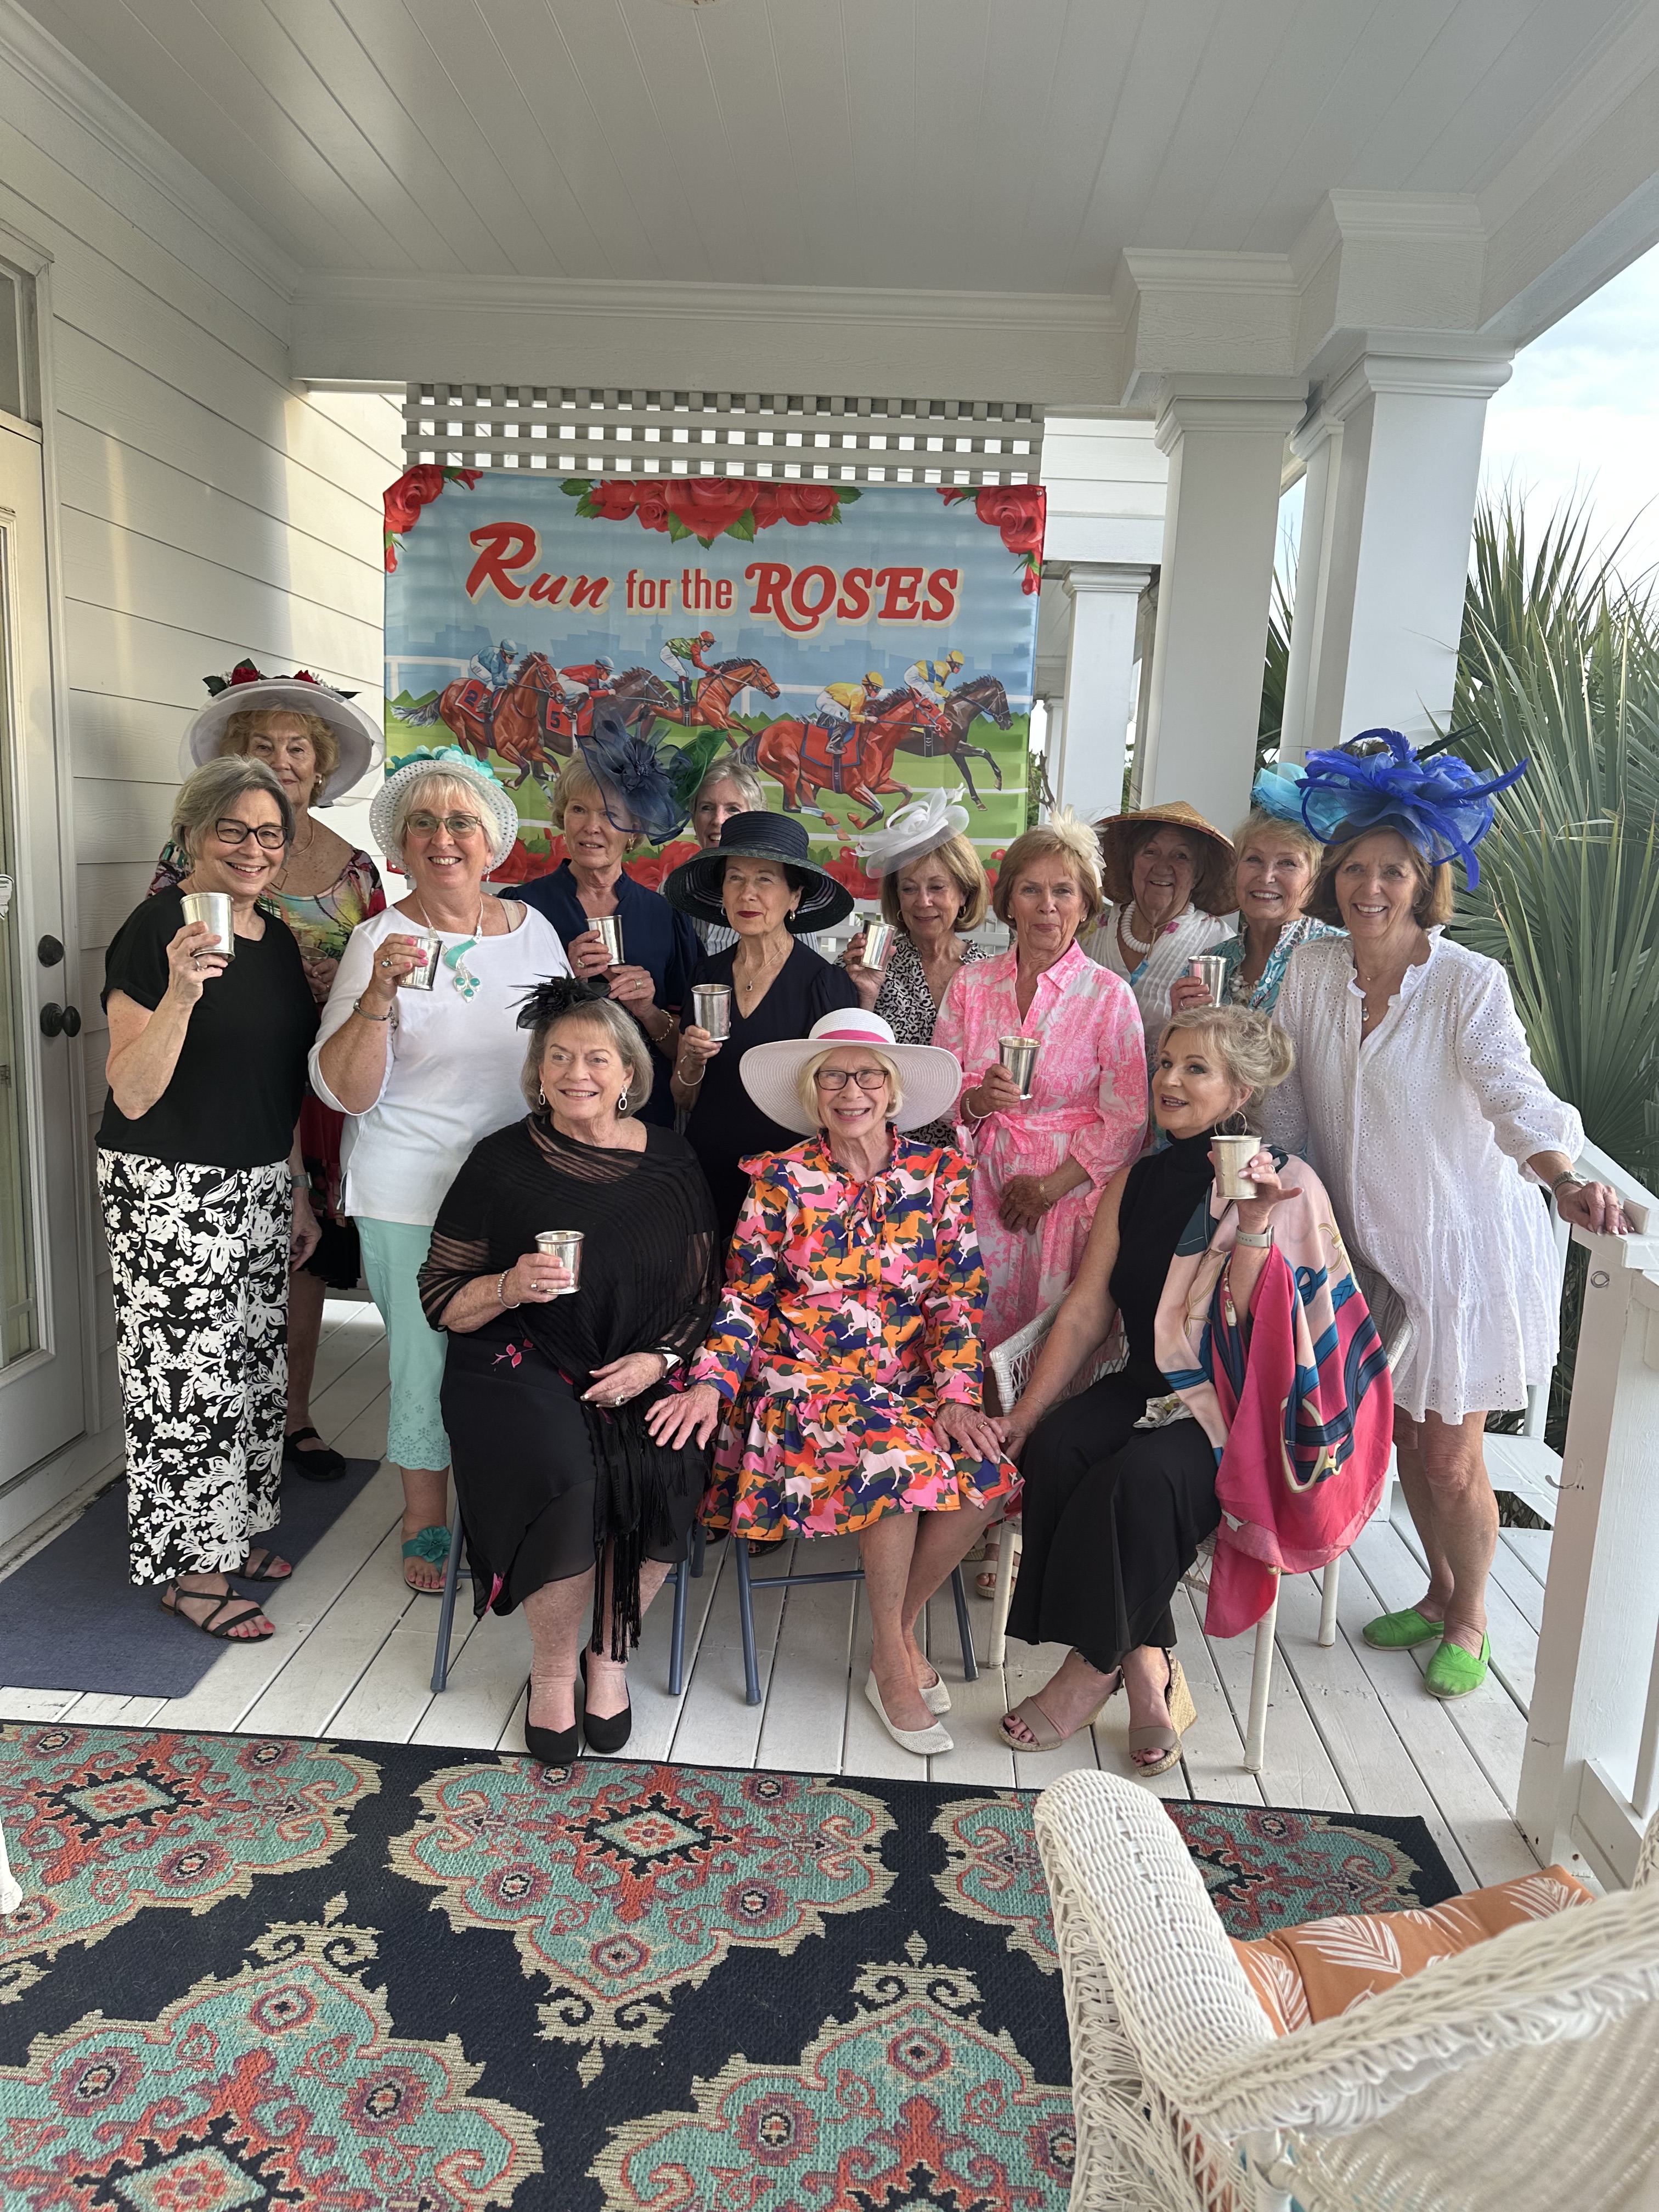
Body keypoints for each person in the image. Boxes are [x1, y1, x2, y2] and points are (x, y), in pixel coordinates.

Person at [1265, 730, 1628, 1697]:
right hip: (1366, 1251)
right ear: (1333, 877)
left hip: (1461, 1251)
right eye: (1355, 868)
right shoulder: (1311, 971)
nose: (1369, 887)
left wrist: (1562, 1176)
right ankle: (1435, 1591)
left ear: (1424, 883)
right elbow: (1288, 1106)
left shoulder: (1467, 982)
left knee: (1451, 1456)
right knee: (1399, 1438)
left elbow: (1512, 1093)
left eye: (1393, 871)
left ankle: (1471, 1617)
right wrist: (1277, 1187)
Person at [997, 1009, 1390, 1770]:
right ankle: (1147, 1664)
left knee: (1136, 1480)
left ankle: (1092, 1670)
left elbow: (1267, 1337)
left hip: (1240, 1411)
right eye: (1166, 1063)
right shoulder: (1137, 1181)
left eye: (1195, 1069)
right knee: (1059, 1446)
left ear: (1240, 1091)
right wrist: (1027, 1412)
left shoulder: (1286, 1185)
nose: (1169, 1080)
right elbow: (1087, 1309)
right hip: (1149, 1382)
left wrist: (1254, 1224)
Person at [654, 1009, 1017, 1756]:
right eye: (833, 1077)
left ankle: (896, 1635)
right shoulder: (781, 1178)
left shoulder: (938, 1175)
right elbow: (745, 1296)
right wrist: (713, 1384)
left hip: (910, 1379)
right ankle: (893, 1665)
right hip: (803, 1379)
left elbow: (956, 1298)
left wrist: (957, 1396)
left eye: (868, 1076)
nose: (851, 1091)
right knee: (896, 1462)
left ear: (893, 1090)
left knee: (989, 1477)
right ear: (813, 1092)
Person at [418, 979, 721, 1764]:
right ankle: (553, 1669)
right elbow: (442, 1297)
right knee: (569, 1476)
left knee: (671, 1460)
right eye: (557, 1057)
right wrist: (509, 1285)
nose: (574, 1072)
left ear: (629, 1074)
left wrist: (659, 1361)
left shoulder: (672, 1160)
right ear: (538, 1070)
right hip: (518, 1365)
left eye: (595, 1058)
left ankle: (608, 1656)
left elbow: (703, 1292)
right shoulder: (501, 1162)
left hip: (637, 1364)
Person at [311, 747, 569, 1594]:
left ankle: (512, 1503)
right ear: (401, 846)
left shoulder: (534, 929)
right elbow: (342, 1091)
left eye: (461, 822)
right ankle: (424, 1518)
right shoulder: (378, 939)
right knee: (425, 1361)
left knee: (520, 1354)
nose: (443, 838)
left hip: (521, 1185)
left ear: (492, 843)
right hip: (409, 1187)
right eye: (422, 823)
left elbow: (570, 1051)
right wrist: (378, 999)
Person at [99, 758, 320, 1640]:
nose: (253, 849)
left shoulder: (279, 941)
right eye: (232, 830)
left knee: (253, 1371)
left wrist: (296, 1186)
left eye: (269, 834)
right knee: (187, 1381)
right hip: (170, 1184)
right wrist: (182, 994)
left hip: (260, 1179)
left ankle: (231, 1532)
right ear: (191, 833)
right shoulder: (156, 930)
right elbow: (132, 1091)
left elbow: (278, 1081)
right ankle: (193, 1576)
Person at [157, 664, 386, 1482]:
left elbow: (380, 967)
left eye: (298, 748)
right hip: (225, 1071)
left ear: (320, 767)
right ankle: (219, 1427)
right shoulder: (197, 854)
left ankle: (291, 1416)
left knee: (303, 1247)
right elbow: (162, 945)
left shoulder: (355, 868)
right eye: (263, 745)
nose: (282, 760)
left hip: (321, 1081)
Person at [932, 813, 1147, 1349]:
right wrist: (978, 1100)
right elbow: (941, 1087)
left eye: (1063, 891)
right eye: (1031, 890)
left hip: (1068, 1198)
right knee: (974, 1330)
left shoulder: (1109, 996)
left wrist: (1048, 1190)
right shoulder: (972, 984)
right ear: (1009, 903)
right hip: (984, 1188)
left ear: (1086, 906)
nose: (1047, 906)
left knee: (1051, 1344)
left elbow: (1128, 1120)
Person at [663, 812, 859, 1244]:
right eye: (735, 878)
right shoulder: (706, 975)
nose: (747, 893)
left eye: (764, 880)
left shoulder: (825, 984)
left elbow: (845, 1100)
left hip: (791, 1183)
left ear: (795, 897)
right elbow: (685, 1097)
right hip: (708, 1172)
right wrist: (691, 1060)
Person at [504, 733, 698, 1127]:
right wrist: (565, 980)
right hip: (550, 1111)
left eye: (610, 814)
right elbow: (495, 1023)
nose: (591, 827)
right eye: (579, 809)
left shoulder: (665, 917)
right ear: (563, 816)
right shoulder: (521, 909)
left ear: (635, 828)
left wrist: (648, 1010)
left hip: (642, 1115)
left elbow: (687, 1050)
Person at [842, 788, 993, 1146]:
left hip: (969, 1147)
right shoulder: (872, 962)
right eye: (909, 889)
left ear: (964, 894)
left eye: (937, 887)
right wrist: (865, 994)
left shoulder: (990, 973)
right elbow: (839, 1062)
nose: (923, 902)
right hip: (882, 1144)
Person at [1169, 766, 1338, 1022]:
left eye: (1287, 863)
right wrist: (1182, 1021)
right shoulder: (1214, 960)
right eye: (1254, 859)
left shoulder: (1338, 958)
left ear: (1317, 878)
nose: (1266, 877)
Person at [1081, 800, 1235, 1049]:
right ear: (1132, 863)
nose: (1163, 866)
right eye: (1150, 852)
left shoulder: (1218, 944)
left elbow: (1224, 1043)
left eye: (1181, 856)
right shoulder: (1091, 931)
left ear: (1197, 874)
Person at [686, 760, 767, 954]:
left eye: (733, 809)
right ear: (694, 818)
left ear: (755, 819)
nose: (718, 820)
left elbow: (808, 969)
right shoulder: (672, 889)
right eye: (707, 808)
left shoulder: (781, 891)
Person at [815, 670, 882, 761]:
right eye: (877, 689)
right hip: (826, 700)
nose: (878, 693)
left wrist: (865, 716)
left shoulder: (862, 695)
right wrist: (867, 718)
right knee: (848, 720)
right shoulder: (859, 693)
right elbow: (853, 717)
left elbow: (857, 712)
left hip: (833, 699)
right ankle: (832, 745)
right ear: (870, 687)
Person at [661, 630, 716, 716]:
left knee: (686, 673)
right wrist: (713, 670)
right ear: (703, 642)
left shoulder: (696, 645)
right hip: (667, 654)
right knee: (683, 673)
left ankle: (688, 696)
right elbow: (698, 663)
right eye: (709, 645)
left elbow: (695, 663)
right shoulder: (695, 647)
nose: (709, 648)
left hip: (671, 652)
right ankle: (684, 698)